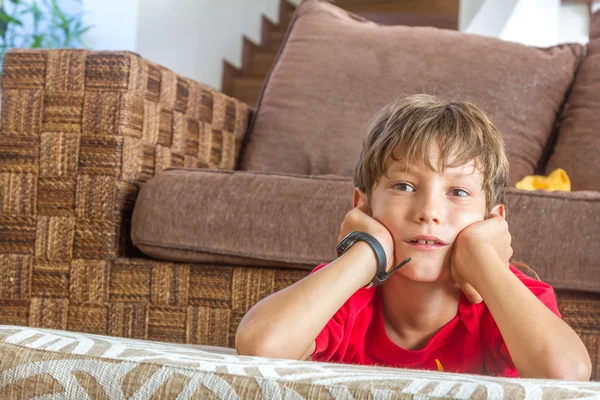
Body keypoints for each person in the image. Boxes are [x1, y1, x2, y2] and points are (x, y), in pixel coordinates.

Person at [235, 94, 591, 380]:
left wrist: (484, 260)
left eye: (458, 192)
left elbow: (565, 375)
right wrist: (365, 252)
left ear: (493, 221)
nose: (429, 211)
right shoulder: (345, 294)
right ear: (364, 207)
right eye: (404, 186)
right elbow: (260, 345)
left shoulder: (510, 299)